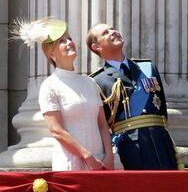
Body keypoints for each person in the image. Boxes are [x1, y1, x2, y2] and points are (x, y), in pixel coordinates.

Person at [12, 18, 114, 171]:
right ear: (52, 54)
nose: (69, 43)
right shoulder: (49, 85)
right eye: (62, 41)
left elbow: (102, 124)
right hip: (71, 163)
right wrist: (86, 155)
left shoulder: (89, 82)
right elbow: (56, 130)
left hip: (100, 162)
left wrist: (109, 156)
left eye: (70, 39)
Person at [86, 23, 182, 170]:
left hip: (161, 142)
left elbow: (161, 109)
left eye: (113, 29)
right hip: (131, 147)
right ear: (96, 47)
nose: (113, 32)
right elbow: (102, 124)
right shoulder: (97, 81)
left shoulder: (147, 68)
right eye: (106, 33)